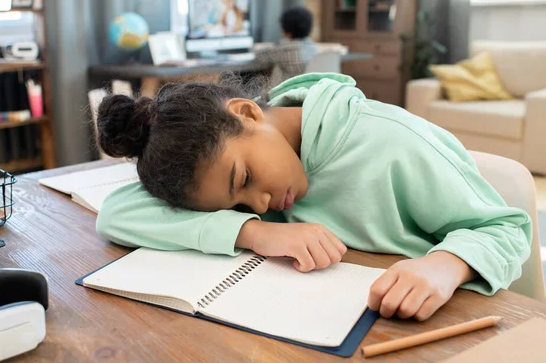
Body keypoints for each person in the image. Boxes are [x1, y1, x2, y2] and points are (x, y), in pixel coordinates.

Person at [95, 73, 531, 321]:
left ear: (246, 113)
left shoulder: (392, 142)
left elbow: (506, 229)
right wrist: (252, 234)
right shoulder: (243, 178)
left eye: (244, 177)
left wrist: (445, 265)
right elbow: (116, 213)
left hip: (438, 324)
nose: (260, 204)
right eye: (240, 205)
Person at [254, 6, 318, 88]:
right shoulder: (312, 47)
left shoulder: (282, 49)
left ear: (287, 31)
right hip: (305, 92)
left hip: (282, 93)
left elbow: (259, 56)